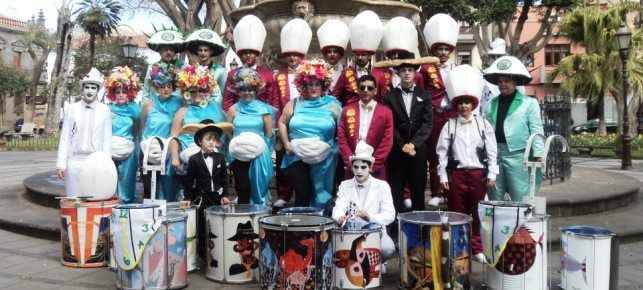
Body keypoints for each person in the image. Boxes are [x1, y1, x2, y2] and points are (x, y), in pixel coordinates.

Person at [436, 65, 498, 263]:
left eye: (468, 103)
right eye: (461, 103)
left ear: (473, 105)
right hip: (458, 174)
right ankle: (458, 247)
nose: (464, 107)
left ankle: (477, 247)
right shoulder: (450, 125)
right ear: (456, 105)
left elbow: (491, 150)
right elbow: (442, 152)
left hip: (478, 174)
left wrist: (492, 173)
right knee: (457, 213)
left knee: (477, 212)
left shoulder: (483, 124)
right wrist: (443, 176)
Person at [278, 59, 342, 214]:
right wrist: (286, 143)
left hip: (324, 157)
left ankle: (319, 229)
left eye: (317, 84)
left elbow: (342, 131)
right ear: (304, 85)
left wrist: (336, 147)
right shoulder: (294, 103)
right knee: (303, 190)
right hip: (295, 155)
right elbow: (281, 122)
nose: (313, 88)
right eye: (310, 84)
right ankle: (302, 228)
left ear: (323, 86)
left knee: (321, 195)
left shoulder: (333, 105)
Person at [484, 55, 544, 202]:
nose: (503, 85)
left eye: (507, 81)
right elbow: (485, 129)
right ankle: (496, 224)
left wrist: (538, 154)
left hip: (518, 156)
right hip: (495, 155)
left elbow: (536, 130)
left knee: (520, 196)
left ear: (515, 81)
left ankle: (521, 224)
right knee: (494, 196)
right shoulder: (492, 103)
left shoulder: (529, 103)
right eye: (500, 81)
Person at [382, 52, 433, 213]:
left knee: (418, 190)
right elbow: (389, 125)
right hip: (397, 151)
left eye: (410, 70)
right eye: (403, 70)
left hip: (418, 151)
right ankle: (395, 226)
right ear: (397, 73)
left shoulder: (424, 95)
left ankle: (420, 228)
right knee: (395, 190)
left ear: (415, 72)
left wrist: (413, 144)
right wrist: (402, 144)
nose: (406, 73)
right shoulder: (389, 97)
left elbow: (427, 123)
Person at [421, 13, 460, 207]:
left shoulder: (457, 68)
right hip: (434, 116)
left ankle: (452, 191)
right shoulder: (426, 69)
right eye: (439, 49)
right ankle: (437, 191)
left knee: (454, 153)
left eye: (446, 49)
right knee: (435, 154)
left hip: (453, 116)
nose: (443, 52)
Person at [332, 140, 396, 261]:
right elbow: (338, 207)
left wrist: (370, 218)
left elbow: (390, 214)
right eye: (356, 167)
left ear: (370, 168)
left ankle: (377, 263)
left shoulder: (382, 186)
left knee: (388, 248)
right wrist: (340, 216)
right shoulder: (345, 185)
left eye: (363, 167)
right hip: (351, 231)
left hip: (375, 231)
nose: (359, 171)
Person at [272, 18, 313, 208]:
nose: (292, 58)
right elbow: (274, 100)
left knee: (306, 160)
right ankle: (283, 194)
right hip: (285, 121)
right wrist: (277, 125)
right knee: (283, 160)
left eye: (295, 55)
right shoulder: (278, 75)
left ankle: (306, 195)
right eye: (289, 55)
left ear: (301, 55)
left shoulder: (310, 74)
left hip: (306, 122)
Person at [180, 121, 232, 260]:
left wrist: (225, 194)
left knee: (217, 224)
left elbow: (224, 179)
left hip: (217, 196)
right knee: (203, 225)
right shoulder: (194, 159)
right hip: (202, 196)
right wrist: (188, 197)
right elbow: (189, 180)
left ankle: (218, 252)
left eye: (214, 139)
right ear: (199, 141)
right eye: (208, 139)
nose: (211, 142)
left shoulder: (220, 157)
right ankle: (203, 255)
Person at [56, 68, 112, 197]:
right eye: (87, 87)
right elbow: (64, 137)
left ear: (97, 90)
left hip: (94, 160)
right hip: (74, 160)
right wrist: (61, 165)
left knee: (93, 197)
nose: (90, 91)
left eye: (93, 88)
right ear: (82, 89)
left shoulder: (104, 110)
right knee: (74, 197)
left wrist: (106, 164)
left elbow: (106, 139)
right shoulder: (72, 108)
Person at [169, 65, 226, 186]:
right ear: (187, 92)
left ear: (207, 91)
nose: (197, 93)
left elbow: (223, 134)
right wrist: (175, 158)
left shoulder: (216, 109)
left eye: (201, 90)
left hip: (212, 158)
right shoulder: (182, 111)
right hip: (188, 158)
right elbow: (174, 136)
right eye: (193, 90)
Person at [226, 68, 276, 205]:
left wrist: (260, 150)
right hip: (238, 154)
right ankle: (243, 219)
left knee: (257, 187)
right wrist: (235, 145)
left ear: (256, 91)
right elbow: (228, 130)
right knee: (243, 188)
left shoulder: (264, 110)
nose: (246, 93)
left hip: (259, 155)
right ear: (238, 91)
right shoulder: (233, 109)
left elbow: (269, 133)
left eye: (250, 90)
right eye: (243, 89)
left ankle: (259, 216)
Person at [337, 74, 393, 180]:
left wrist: (374, 164)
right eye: (362, 88)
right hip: (352, 165)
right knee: (351, 195)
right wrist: (350, 162)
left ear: (375, 91)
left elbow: (387, 141)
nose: (366, 90)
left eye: (370, 88)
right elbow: (342, 136)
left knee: (375, 194)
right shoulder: (347, 109)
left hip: (376, 166)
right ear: (358, 90)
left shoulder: (386, 112)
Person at [140, 63, 183, 201]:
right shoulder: (148, 104)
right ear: (157, 87)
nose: (166, 89)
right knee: (148, 186)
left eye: (169, 86)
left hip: (167, 151)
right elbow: (143, 124)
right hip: (148, 149)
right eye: (162, 86)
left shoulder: (178, 103)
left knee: (165, 187)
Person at [222, 15, 276, 111]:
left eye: (252, 53)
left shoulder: (267, 75)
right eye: (245, 53)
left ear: (257, 54)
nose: (249, 56)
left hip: (260, 118)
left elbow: (270, 101)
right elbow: (228, 101)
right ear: (241, 55)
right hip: (238, 117)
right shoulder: (232, 74)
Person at [105, 66, 142, 204]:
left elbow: (137, 131)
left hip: (129, 151)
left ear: (129, 93)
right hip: (111, 150)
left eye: (124, 92)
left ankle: (126, 207)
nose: (121, 94)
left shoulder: (135, 111)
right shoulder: (108, 110)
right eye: (118, 91)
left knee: (127, 180)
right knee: (110, 179)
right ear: (113, 93)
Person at [332, 10, 384, 105]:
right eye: (357, 54)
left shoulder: (379, 74)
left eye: (363, 55)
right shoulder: (346, 73)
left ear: (369, 56)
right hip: (351, 115)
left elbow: (383, 99)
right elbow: (335, 96)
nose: (360, 57)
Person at [373, 16, 425, 98]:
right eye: (393, 53)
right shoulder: (381, 74)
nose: (396, 56)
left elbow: (421, 96)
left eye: (399, 53)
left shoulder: (417, 76)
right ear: (389, 55)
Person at [184, 28, 227, 104]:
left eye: (205, 50)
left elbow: (224, 94)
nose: (203, 53)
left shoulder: (220, 71)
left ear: (211, 52)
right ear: (197, 52)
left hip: (214, 109)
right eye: (200, 50)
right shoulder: (192, 71)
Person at [141, 29, 185, 101]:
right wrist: (145, 109)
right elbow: (146, 91)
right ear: (160, 52)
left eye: (171, 50)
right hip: (156, 107)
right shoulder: (152, 67)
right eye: (165, 49)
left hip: (176, 107)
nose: (168, 52)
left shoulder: (182, 66)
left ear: (175, 53)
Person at [317, 19, 350, 99]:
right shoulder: (318, 70)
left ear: (340, 55)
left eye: (335, 52)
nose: (332, 54)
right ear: (325, 54)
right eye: (329, 52)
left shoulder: (347, 71)